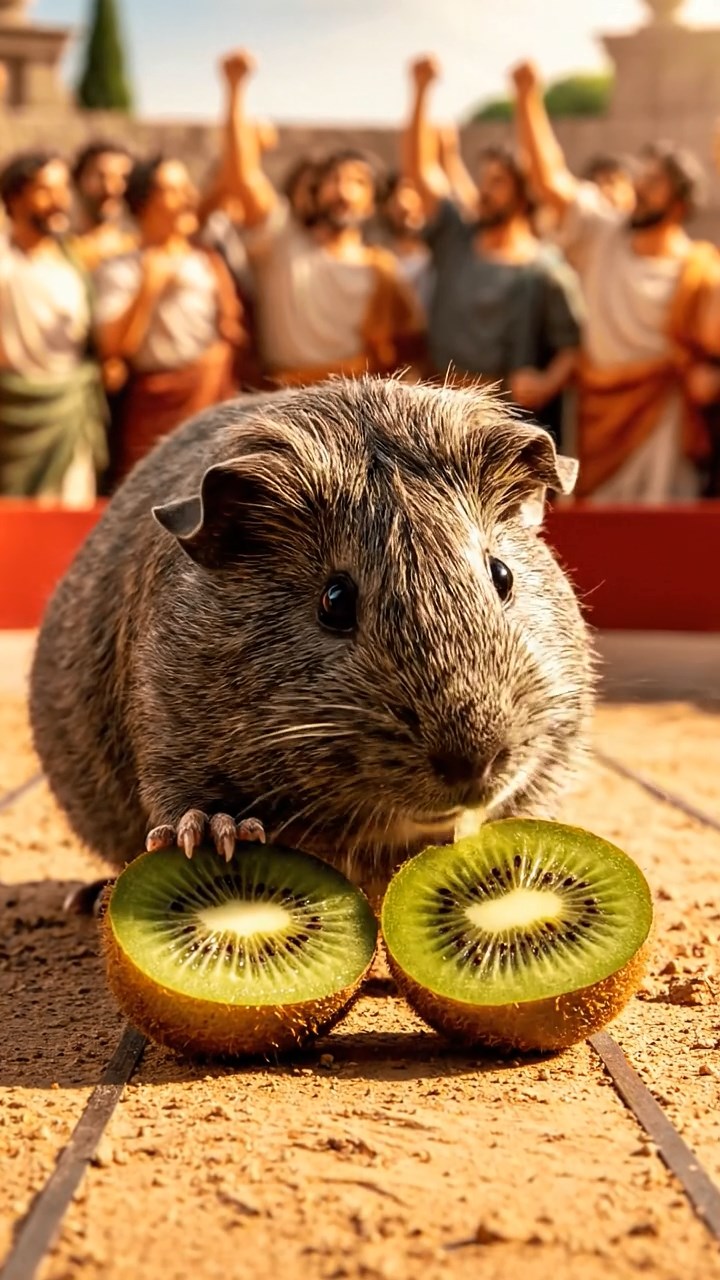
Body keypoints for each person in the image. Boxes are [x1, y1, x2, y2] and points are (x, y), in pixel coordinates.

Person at [512, 59, 720, 502]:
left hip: (663, 414)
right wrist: (529, 98)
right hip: (598, 412)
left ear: (680, 201)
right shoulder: (602, 234)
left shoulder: (699, 266)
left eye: (656, 181)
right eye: (641, 176)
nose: (641, 187)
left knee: (664, 524)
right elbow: (552, 180)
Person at [404, 55, 582, 445]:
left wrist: (546, 382)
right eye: (484, 180)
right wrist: (420, 92)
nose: (485, 190)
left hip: (506, 422)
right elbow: (421, 172)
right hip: (440, 413)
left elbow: (571, 346)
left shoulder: (543, 268)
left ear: (523, 194)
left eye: (498, 182)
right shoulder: (456, 238)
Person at [220, 49, 422, 387]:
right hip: (281, 400)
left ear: (372, 203)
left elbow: (411, 348)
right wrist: (235, 88)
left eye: (357, 182)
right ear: (316, 192)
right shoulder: (281, 241)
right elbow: (244, 176)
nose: (343, 189)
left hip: (352, 403)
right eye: (333, 179)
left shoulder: (382, 269)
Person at [94, 153, 245, 482]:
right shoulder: (120, 268)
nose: (188, 198)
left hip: (210, 401)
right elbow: (113, 347)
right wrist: (149, 287)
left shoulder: (208, 262)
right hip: (153, 408)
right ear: (145, 202)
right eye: (174, 191)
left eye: (188, 188)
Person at [0, 151, 107, 504]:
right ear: (15, 197)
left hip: (68, 415)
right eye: (46, 190)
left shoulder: (75, 264)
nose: (59, 200)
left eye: (64, 189)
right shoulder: (6, 261)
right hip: (10, 416)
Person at [70, 140, 136, 271]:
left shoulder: (136, 249)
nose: (110, 188)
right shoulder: (59, 253)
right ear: (79, 180)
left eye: (122, 178)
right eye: (101, 177)